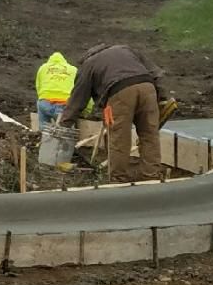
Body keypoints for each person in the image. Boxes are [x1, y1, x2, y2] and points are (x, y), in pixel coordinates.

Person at [59, 44, 167, 182]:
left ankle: (118, 179)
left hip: (119, 92)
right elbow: (156, 73)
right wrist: (162, 98)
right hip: (148, 88)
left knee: (119, 138)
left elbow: (77, 101)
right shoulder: (126, 49)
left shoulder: (89, 65)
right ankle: (151, 176)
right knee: (149, 135)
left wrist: (64, 125)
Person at [34, 51, 77, 128]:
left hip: (45, 104)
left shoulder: (43, 68)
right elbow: (80, 90)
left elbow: (38, 86)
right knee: (66, 130)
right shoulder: (73, 70)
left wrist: (44, 98)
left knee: (44, 124)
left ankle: (43, 133)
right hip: (64, 106)